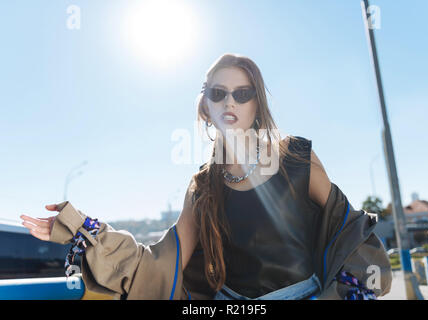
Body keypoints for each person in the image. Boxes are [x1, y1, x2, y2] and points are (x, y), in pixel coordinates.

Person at [20, 53, 392, 300]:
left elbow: (350, 229)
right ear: (206, 106)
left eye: (242, 93)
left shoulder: (296, 156)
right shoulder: (201, 188)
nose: (230, 102)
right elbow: (161, 262)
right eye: (219, 93)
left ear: (256, 103)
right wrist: (85, 231)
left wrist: (354, 288)